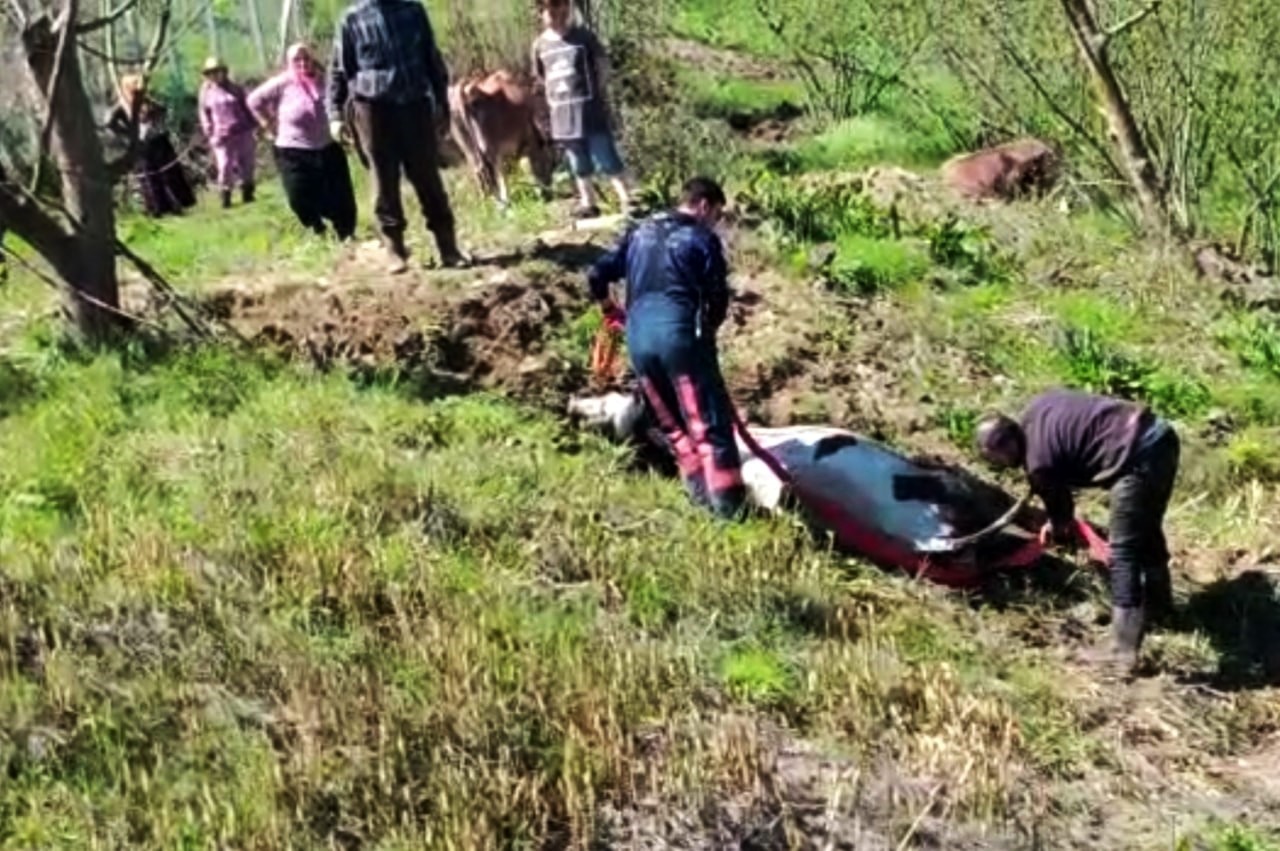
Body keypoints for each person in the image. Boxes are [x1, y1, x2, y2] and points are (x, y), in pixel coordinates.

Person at [975, 389, 1181, 673]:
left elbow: (1061, 514)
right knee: (1143, 527)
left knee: (1122, 550)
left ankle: (1122, 650)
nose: (1001, 460)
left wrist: (1058, 526)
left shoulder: (1039, 463)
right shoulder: (1037, 407)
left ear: (1007, 445)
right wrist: (1058, 516)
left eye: (998, 455)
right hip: (1160, 436)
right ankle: (1161, 607)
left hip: (1134, 459)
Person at [586, 176, 745, 519]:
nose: (715, 222)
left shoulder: (638, 232)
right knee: (709, 426)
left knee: (674, 427)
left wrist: (609, 309)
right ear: (704, 206)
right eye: (716, 214)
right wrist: (707, 336)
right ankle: (731, 517)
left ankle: (700, 507)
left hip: (639, 341)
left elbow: (597, 274)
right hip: (679, 336)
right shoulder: (701, 238)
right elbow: (717, 298)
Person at [325, 0, 466, 273]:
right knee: (383, 180)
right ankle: (395, 251)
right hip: (373, 110)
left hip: (414, 105)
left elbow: (431, 58)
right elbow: (339, 70)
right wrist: (334, 114)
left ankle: (448, 248)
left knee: (427, 177)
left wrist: (442, 102)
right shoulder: (352, 19)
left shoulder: (413, 11)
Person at [532, 0, 633, 219]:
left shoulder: (583, 37)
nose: (555, 13)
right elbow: (541, 77)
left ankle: (628, 200)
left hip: (589, 111)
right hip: (562, 115)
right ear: (542, 13)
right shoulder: (540, 45)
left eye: (560, 7)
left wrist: (597, 90)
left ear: (567, 9)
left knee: (606, 156)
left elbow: (602, 65)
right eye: (549, 9)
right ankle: (588, 203)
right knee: (578, 162)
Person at [248, 43, 358, 241]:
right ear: (290, 63)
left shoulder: (325, 80)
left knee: (340, 195)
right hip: (292, 149)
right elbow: (254, 100)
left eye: (306, 58)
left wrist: (346, 126)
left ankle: (346, 233)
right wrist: (267, 123)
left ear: (313, 59)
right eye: (297, 60)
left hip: (327, 146)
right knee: (298, 196)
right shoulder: (282, 83)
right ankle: (317, 227)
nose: (303, 63)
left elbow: (344, 99)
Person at [106, 75, 198, 218]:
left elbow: (163, 110)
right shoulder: (122, 106)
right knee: (149, 177)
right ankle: (158, 208)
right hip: (141, 146)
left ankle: (178, 204)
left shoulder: (147, 102)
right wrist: (127, 134)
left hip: (158, 141)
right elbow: (110, 123)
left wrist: (154, 123)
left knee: (169, 173)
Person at [198, 57, 258, 208]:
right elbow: (204, 113)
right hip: (221, 135)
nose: (215, 75)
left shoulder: (236, 88)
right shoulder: (206, 92)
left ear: (224, 72)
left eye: (218, 71)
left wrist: (255, 124)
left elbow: (247, 107)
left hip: (242, 131)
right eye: (211, 72)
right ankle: (226, 197)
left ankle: (248, 193)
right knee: (224, 166)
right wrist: (208, 131)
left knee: (247, 164)